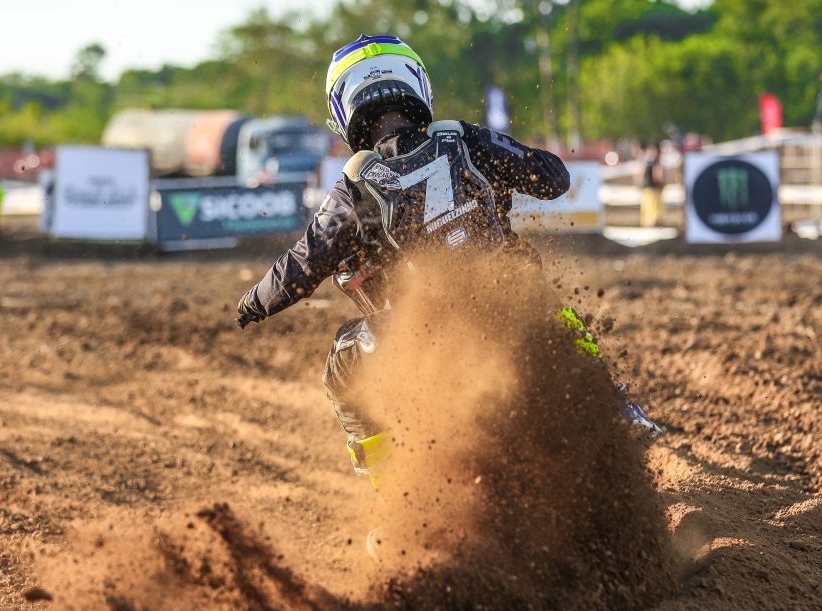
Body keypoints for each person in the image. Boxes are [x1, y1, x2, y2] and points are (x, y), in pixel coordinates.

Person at [235, 34, 658, 485]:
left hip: (431, 329)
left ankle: (391, 486)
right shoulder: (466, 138)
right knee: (552, 309)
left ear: (344, 105)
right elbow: (553, 180)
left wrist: (252, 304)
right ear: (416, 83)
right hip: (514, 302)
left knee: (342, 366)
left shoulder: (356, 184)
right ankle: (616, 407)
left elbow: (301, 267)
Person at [640, 142, 664, 228]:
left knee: (647, 209)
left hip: (646, 187)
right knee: (654, 209)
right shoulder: (656, 161)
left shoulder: (647, 160)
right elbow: (657, 175)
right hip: (654, 188)